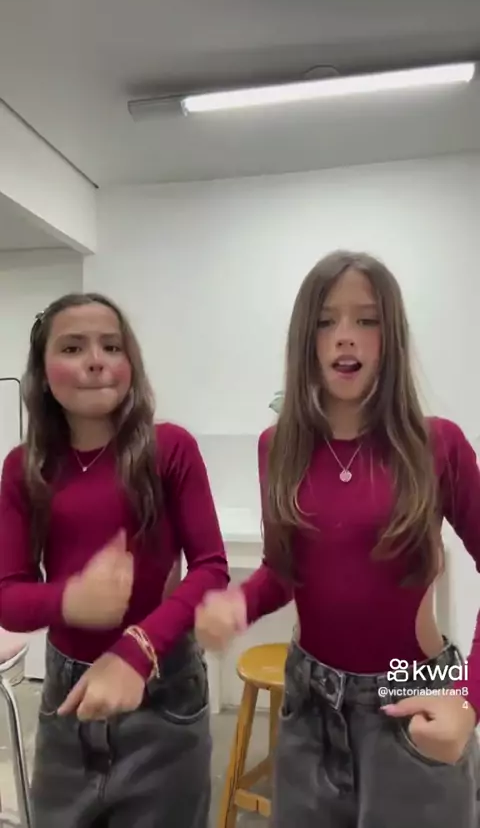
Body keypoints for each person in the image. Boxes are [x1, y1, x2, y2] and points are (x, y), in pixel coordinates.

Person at [195, 250, 480, 828]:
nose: (345, 335)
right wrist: (238, 603)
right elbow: (283, 573)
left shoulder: (437, 445)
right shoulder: (278, 447)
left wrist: (469, 700)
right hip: (310, 703)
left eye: (366, 319)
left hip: (413, 693)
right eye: (326, 321)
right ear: (306, 339)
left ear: (390, 337)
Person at [0, 292, 229, 828]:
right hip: (67, 700)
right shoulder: (24, 467)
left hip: (165, 694)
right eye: (72, 347)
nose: (95, 360)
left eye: (111, 346)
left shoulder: (170, 448)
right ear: (42, 373)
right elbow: (8, 597)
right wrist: (69, 601)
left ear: (131, 363)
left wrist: (138, 648)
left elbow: (211, 569)